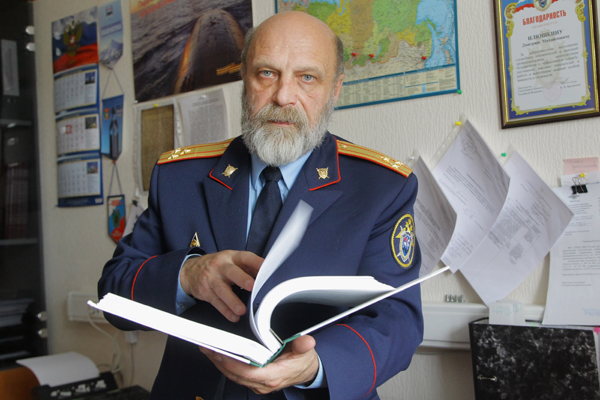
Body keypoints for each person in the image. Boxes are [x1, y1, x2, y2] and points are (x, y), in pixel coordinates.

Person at [99, 11, 423, 400]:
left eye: (307, 78)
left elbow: (397, 319)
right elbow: (113, 295)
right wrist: (186, 275)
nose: (283, 97)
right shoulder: (178, 177)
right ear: (244, 79)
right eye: (267, 74)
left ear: (335, 90)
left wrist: (317, 366)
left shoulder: (381, 187)